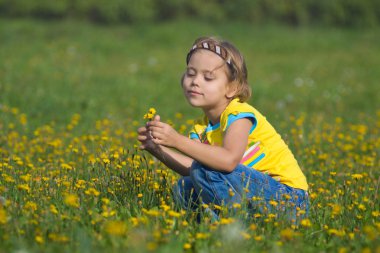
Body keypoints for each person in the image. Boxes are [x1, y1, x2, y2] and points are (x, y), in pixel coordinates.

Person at [137, 36, 308, 221]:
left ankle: (229, 224)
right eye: (191, 73)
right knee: (184, 186)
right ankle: (221, 223)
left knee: (205, 170)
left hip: (288, 200)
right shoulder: (201, 127)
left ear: (232, 88)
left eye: (208, 77)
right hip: (256, 194)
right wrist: (158, 149)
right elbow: (192, 168)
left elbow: (228, 161)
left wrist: (177, 140)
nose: (195, 81)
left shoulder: (239, 114)